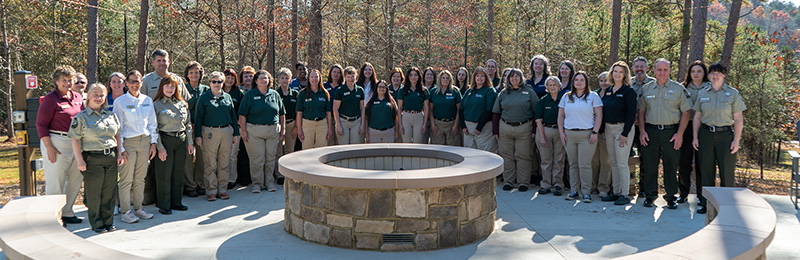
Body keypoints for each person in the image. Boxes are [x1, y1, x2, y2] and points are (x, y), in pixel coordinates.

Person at [68, 83, 124, 233]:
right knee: (94, 193)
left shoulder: (111, 115)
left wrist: (119, 153)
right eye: (95, 94)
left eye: (102, 95)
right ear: (88, 97)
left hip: (110, 157)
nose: (98, 98)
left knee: (109, 192)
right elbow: (75, 139)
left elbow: (117, 135)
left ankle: (108, 221)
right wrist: (79, 160)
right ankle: (97, 223)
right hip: (92, 158)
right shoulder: (81, 118)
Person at [637, 58, 692, 209]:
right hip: (651, 132)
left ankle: (670, 197)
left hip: (671, 132)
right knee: (649, 165)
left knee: (671, 166)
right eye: (659, 70)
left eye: (665, 70)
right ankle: (650, 195)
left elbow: (686, 112)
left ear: (669, 71)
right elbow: (641, 111)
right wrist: (642, 131)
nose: (662, 72)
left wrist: (680, 134)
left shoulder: (678, 89)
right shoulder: (646, 89)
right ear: (653, 71)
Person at [692, 63, 746, 214]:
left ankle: (727, 204)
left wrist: (736, 140)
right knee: (706, 170)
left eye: (718, 73)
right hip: (706, 134)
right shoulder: (703, 93)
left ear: (724, 75)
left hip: (725, 136)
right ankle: (706, 203)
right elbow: (697, 117)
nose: (715, 76)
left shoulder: (732, 93)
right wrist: (695, 137)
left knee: (726, 171)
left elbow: (738, 119)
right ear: (709, 75)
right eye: (712, 73)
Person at [37, 65, 84, 224]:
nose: (68, 83)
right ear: (57, 81)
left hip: (76, 142)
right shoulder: (50, 99)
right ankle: (53, 217)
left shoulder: (77, 97)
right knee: (56, 180)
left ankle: (68, 212)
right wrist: (49, 147)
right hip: (57, 142)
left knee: (75, 178)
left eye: (70, 80)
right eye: (64, 80)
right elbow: (41, 124)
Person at [113, 70, 158, 223]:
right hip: (128, 143)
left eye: (137, 81)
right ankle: (126, 211)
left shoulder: (147, 100)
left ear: (141, 83)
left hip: (144, 142)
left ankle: (138, 209)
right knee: (126, 179)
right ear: (126, 83)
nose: (134, 84)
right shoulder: (121, 102)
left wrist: (153, 143)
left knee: (140, 178)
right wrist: (121, 149)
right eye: (131, 81)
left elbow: (152, 123)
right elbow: (117, 128)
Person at [194, 71, 241, 201]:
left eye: (219, 81)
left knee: (224, 162)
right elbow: (198, 118)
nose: (217, 84)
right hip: (209, 132)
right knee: (210, 163)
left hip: (226, 131)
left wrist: (236, 133)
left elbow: (233, 116)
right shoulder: (204, 98)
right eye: (214, 81)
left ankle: (223, 189)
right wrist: (198, 136)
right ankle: (211, 190)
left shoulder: (227, 97)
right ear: (209, 83)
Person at [558, 71, 603, 203]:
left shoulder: (593, 96)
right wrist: (561, 133)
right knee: (572, 164)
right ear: (573, 82)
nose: (579, 82)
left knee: (584, 164)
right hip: (569, 134)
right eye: (576, 80)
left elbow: (599, 115)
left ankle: (586, 192)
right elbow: (561, 116)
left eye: (581, 80)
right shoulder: (566, 97)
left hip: (587, 135)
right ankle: (573, 191)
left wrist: (595, 132)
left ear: (586, 82)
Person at [153, 74, 194, 215]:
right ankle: (164, 204)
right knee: (164, 173)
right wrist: (160, 147)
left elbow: (188, 124)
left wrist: (190, 143)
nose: (170, 89)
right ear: (162, 87)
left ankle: (177, 202)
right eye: (167, 86)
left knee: (178, 172)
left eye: (172, 87)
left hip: (181, 140)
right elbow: (154, 128)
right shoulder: (156, 104)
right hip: (165, 140)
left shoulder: (182, 103)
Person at [239, 70, 285, 193]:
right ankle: (257, 184)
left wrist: (283, 128)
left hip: (272, 130)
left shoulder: (274, 94)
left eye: (266, 78)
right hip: (254, 131)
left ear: (269, 80)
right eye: (261, 78)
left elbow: (282, 113)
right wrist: (243, 131)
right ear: (256, 81)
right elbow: (242, 115)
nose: (264, 80)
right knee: (257, 159)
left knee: (270, 158)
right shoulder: (249, 95)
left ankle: (269, 182)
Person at [599, 62, 638, 205]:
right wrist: (603, 132)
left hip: (623, 129)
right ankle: (616, 192)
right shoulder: (608, 90)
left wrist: (625, 133)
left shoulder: (629, 91)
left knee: (622, 163)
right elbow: (603, 112)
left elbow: (631, 114)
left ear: (625, 74)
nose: (617, 74)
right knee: (613, 162)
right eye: (615, 71)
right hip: (609, 129)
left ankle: (625, 194)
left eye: (620, 72)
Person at [492, 68, 538, 191]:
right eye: (512, 77)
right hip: (505, 128)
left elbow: (536, 112)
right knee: (507, 156)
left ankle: (523, 182)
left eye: (517, 76)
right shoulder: (503, 93)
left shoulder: (529, 92)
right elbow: (496, 112)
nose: (514, 79)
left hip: (524, 128)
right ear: (508, 79)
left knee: (523, 156)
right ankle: (509, 181)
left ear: (521, 78)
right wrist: (495, 131)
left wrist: (534, 130)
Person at [679, 60, 710, 204]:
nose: (696, 74)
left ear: (704, 73)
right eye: (693, 71)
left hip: (704, 129)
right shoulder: (683, 88)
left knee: (701, 163)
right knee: (684, 162)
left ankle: (702, 196)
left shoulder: (710, 87)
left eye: (699, 71)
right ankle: (683, 193)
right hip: (685, 128)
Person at [536, 76, 566, 196]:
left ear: (559, 86)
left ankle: (558, 184)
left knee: (559, 159)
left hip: (560, 131)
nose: (552, 87)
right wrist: (542, 137)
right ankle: (546, 184)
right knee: (546, 160)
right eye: (550, 85)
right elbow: (538, 120)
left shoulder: (564, 99)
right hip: (545, 131)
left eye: (554, 85)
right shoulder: (542, 101)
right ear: (547, 87)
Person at [182, 61, 209, 198]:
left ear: (200, 74)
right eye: (191, 72)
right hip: (188, 128)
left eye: (196, 72)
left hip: (203, 128)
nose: (194, 75)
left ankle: (201, 184)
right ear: (187, 74)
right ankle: (190, 185)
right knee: (188, 157)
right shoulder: (183, 89)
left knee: (202, 157)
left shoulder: (206, 89)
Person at [630, 56, 654, 196]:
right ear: (633, 69)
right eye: (637, 67)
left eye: (642, 67)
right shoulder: (628, 82)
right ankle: (627, 186)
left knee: (646, 158)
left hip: (647, 127)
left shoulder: (653, 84)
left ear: (647, 68)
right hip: (630, 126)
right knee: (625, 157)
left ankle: (644, 188)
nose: (639, 69)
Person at [460, 67, 498, 153]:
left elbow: (489, 111)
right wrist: (462, 126)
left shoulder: (490, 91)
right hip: (468, 129)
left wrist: (479, 127)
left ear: (486, 78)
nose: (479, 78)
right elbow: (461, 108)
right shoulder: (469, 91)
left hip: (483, 128)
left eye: (482, 76)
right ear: (474, 77)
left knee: (486, 154)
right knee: (469, 154)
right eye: (477, 76)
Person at [296, 69, 333, 149]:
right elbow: (299, 113)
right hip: (307, 124)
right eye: (312, 77)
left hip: (322, 124)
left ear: (319, 78)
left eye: (316, 77)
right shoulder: (302, 94)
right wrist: (299, 129)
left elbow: (328, 112)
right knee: (307, 150)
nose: (314, 79)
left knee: (321, 150)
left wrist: (329, 128)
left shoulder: (325, 93)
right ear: (308, 79)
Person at [591, 72, 612, 199]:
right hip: (594, 131)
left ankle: (603, 187)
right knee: (594, 160)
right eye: (601, 80)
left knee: (605, 161)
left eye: (606, 80)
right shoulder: (593, 94)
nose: (604, 83)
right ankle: (593, 186)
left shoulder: (613, 94)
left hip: (607, 131)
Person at [276, 68, 298, 185]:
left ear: (290, 80)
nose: (284, 80)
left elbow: (298, 111)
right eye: (282, 78)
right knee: (279, 151)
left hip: (291, 124)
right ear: (278, 80)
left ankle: (289, 174)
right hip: (279, 125)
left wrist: (296, 127)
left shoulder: (295, 93)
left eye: (287, 78)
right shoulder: (275, 93)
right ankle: (279, 175)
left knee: (290, 150)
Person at [223, 69, 245, 190]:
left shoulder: (239, 93)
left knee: (232, 154)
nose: (229, 80)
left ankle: (231, 179)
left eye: (232, 78)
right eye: (227, 77)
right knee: (221, 155)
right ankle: (222, 178)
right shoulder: (217, 90)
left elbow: (243, 111)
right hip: (221, 127)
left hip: (235, 128)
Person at [428, 70, 462, 146]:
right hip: (437, 124)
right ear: (440, 79)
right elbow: (430, 110)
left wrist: (456, 125)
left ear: (450, 79)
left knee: (453, 149)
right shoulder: (434, 91)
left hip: (451, 124)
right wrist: (433, 125)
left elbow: (459, 110)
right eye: (443, 78)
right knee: (437, 149)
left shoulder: (455, 91)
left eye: (447, 78)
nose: (445, 80)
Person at [333, 66, 365, 145]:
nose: (351, 79)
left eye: (352, 76)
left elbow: (362, 108)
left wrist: (362, 124)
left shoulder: (360, 90)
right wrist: (338, 125)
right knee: (344, 148)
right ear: (345, 77)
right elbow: (335, 109)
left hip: (356, 122)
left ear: (356, 77)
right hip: (343, 122)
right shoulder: (340, 90)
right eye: (348, 77)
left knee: (355, 148)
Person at [236, 66, 256, 186]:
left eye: (250, 75)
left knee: (253, 153)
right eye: (246, 76)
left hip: (254, 125)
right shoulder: (238, 91)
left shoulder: (257, 89)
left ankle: (253, 177)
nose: (248, 78)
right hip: (241, 125)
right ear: (242, 78)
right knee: (242, 152)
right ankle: (243, 178)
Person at [398, 67, 429, 144]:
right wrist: (400, 124)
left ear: (419, 77)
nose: (413, 77)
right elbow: (399, 108)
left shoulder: (424, 90)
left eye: (415, 75)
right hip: (406, 117)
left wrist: (424, 124)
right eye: (411, 75)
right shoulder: (402, 90)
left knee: (417, 143)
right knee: (406, 143)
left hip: (419, 117)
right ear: (408, 77)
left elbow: (426, 108)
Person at [388, 68, 405, 143]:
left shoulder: (404, 89)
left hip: (402, 118)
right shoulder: (386, 88)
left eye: (398, 76)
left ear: (401, 78)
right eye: (394, 76)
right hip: (389, 118)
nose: (396, 78)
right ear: (391, 78)